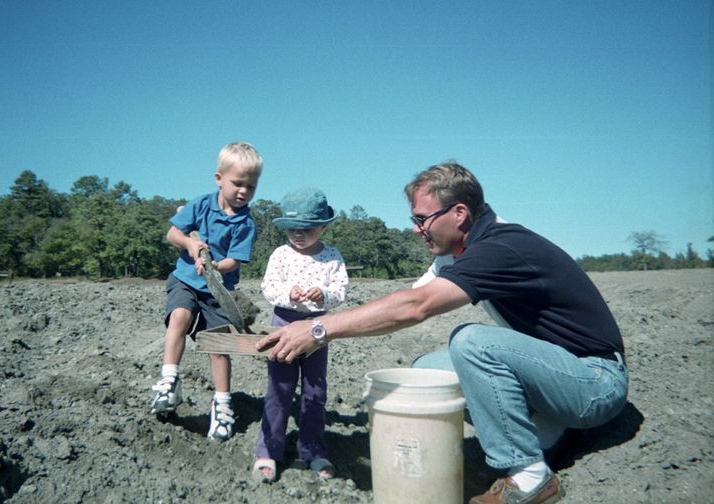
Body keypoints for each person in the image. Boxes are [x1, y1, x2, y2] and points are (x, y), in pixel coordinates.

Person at [257, 162, 628, 504]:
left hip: (594, 382)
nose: (416, 229)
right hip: (552, 372)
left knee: (472, 342)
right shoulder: (458, 252)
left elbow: (416, 308)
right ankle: (550, 431)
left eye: (422, 219)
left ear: (459, 213)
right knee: (426, 370)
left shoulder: (499, 247)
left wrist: (319, 328)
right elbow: (406, 297)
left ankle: (530, 475)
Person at [151, 141, 263, 443]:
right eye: (237, 183)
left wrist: (215, 266)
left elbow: (234, 260)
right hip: (186, 280)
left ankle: (223, 405)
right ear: (219, 179)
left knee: (218, 345)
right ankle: (169, 380)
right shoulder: (200, 205)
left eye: (250, 187)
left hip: (219, 291)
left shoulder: (245, 223)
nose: (243, 191)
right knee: (179, 316)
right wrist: (190, 245)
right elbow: (172, 232)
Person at [252, 188, 349, 483]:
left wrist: (324, 295)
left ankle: (312, 451)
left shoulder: (332, 257)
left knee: (315, 390)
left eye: (307, 229)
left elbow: (341, 291)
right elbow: (268, 287)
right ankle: (267, 451)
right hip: (283, 323)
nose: (299, 235)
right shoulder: (280, 255)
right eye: (293, 229)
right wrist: (288, 294)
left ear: (323, 226)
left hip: (319, 328)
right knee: (279, 388)